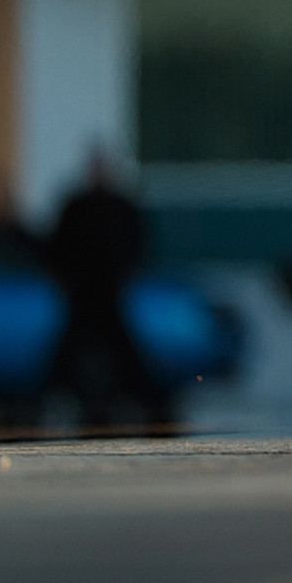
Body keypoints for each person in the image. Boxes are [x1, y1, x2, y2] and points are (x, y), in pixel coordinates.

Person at [45, 149, 170, 430]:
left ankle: (144, 403)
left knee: (122, 349)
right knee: (71, 348)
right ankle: (58, 394)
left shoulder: (119, 206)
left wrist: (124, 275)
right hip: (82, 292)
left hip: (110, 292)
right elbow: (58, 247)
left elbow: (137, 244)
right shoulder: (77, 206)